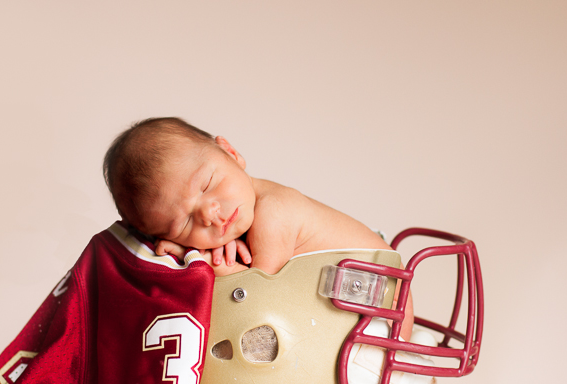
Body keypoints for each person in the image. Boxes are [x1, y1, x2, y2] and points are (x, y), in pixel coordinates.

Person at [103, 117, 414, 339]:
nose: (210, 214)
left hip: (381, 310)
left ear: (231, 152)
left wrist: (201, 259)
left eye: (209, 184)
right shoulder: (241, 215)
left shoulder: (273, 212)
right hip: (338, 304)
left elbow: (257, 299)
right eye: (185, 223)